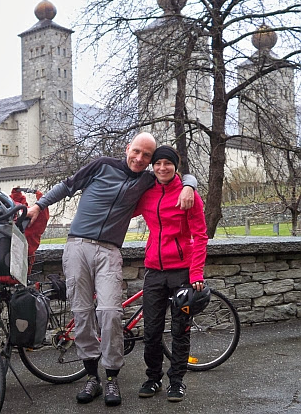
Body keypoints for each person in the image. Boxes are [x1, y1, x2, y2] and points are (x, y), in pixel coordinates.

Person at [27, 132, 197, 407]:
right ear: (128, 148)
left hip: (109, 251)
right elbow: (67, 186)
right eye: (137, 152)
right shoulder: (102, 165)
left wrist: (190, 184)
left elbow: (175, 175)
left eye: (146, 156)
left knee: (109, 313)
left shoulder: (147, 178)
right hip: (77, 245)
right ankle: (92, 377)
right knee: (82, 312)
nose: (140, 158)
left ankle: (111, 378)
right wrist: (39, 204)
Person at [133, 145, 208, 402]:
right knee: (152, 331)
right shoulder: (147, 193)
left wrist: (196, 272)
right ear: (152, 167)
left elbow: (200, 236)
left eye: (167, 163)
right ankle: (153, 378)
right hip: (154, 271)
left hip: (182, 272)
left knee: (180, 330)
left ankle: (176, 382)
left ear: (175, 166)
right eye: (157, 163)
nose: (162, 168)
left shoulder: (189, 195)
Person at [10, 187, 49, 275]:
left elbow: (16, 205)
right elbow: (43, 215)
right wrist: (41, 200)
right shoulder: (34, 222)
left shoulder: (9, 216)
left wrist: (16, 194)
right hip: (20, 268)